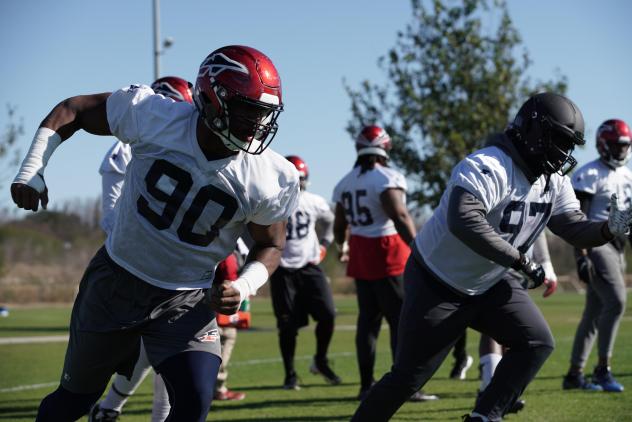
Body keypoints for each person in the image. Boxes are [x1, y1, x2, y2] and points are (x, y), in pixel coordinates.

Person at [11, 45, 299, 422]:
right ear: (211, 98)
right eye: (247, 110)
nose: (255, 124)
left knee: (194, 401)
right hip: (117, 281)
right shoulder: (154, 116)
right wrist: (33, 167)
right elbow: (74, 109)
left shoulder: (269, 175)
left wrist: (244, 286)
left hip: (186, 299)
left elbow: (271, 244)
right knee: (73, 402)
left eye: (262, 114)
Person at [350, 92, 632, 422]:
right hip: (438, 281)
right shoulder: (490, 164)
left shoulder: (553, 181)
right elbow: (464, 219)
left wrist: (608, 229)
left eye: (569, 143)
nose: (564, 152)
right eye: (558, 140)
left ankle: (485, 417)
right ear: (533, 131)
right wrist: (520, 260)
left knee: (537, 342)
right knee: (408, 378)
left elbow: (572, 226)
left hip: (491, 279)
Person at [90, 76, 196, 422]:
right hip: (136, 266)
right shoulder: (133, 144)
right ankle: (111, 407)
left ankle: (109, 408)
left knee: (156, 351)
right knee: (168, 349)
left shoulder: (179, 143)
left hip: (172, 265)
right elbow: (112, 217)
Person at [332, 125, 436, 402]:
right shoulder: (386, 178)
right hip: (387, 250)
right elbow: (400, 215)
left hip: (360, 252)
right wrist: (419, 247)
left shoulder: (344, 183)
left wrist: (341, 246)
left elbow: (339, 225)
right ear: (384, 148)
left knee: (368, 322)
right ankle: (403, 386)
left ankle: (366, 385)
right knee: (402, 321)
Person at [563, 118, 632, 393]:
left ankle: (574, 374)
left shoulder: (627, 176)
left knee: (593, 312)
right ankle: (603, 369)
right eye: (616, 145)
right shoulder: (589, 174)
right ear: (603, 144)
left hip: (618, 247)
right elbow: (577, 221)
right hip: (596, 244)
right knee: (616, 301)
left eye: (625, 146)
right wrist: (580, 256)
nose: (621, 151)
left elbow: (627, 219)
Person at [269, 155, 341, 390]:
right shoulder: (271, 201)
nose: (296, 184)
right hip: (282, 268)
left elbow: (331, 220)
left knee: (328, 314)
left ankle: (320, 360)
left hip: (310, 266)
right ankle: (290, 374)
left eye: (299, 180)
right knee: (287, 325)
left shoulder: (314, 201)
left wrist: (324, 244)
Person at [477, 232, 558, 415]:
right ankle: (488, 387)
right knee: (493, 328)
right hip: (494, 263)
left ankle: (495, 390)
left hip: (522, 268)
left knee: (514, 334)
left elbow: (539, 225)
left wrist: (545, 264)